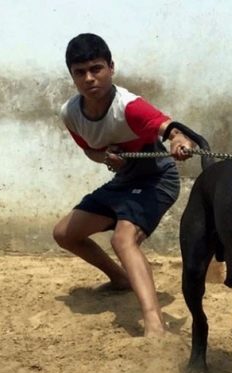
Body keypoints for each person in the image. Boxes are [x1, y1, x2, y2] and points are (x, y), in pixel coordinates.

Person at [53, 33, 195, 337]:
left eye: (97, 68)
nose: (90, 78)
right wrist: (106, 158)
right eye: (80, 72)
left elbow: (168, 127)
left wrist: (180, 140)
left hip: (158, 178)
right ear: (72, 76)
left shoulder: (129, 106)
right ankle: (121, 279)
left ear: (111, 68)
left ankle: (154, 324)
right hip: (125, 181)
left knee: (123, 239)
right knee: (65, 233)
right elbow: (91, 150)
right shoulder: (71, 113)